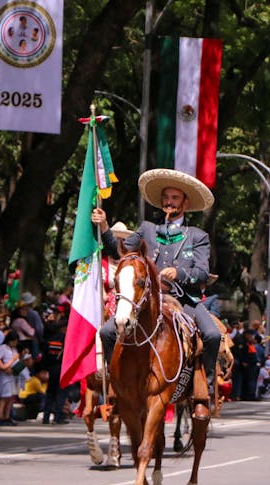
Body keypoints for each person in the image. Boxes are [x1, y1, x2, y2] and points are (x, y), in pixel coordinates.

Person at [94, 168, 221, 399]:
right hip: (148, 299)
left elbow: (202, 274)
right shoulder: (147, 229)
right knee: (107, 332)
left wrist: (179, 273)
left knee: (212, 335)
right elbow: (120, 253)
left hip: (184, 299)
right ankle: (116, 382)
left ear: (185, 202)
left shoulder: (197, 236)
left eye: (175, 198)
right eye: (166, 197)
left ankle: (206, 388)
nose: (169, 202)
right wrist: (104, 226)